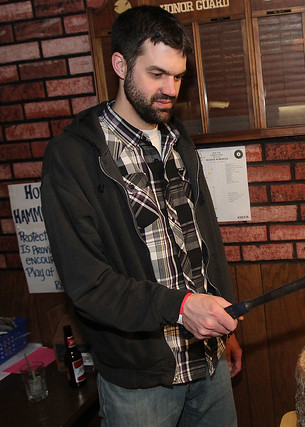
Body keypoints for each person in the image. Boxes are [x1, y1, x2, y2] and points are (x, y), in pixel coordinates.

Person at [41, 6, 242, 426]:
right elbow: (87, 283)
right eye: (156, 74)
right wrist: (181, 307)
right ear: (120, 65)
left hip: (208, 361)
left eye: (178, 76)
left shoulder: (178, 139)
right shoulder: (73, 157)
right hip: (140, 382)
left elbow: (203, 239)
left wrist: (225, 331)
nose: (170, 89)